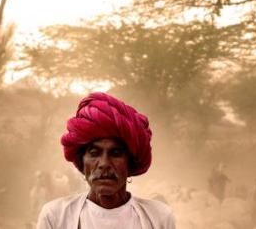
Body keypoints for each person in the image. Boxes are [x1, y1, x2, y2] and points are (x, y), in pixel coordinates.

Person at [36, 92, 176, 229]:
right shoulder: (55, 216)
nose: (104, 164)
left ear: (130, 163)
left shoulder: (159, 217)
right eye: (94, 153)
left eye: (115, 153)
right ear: (82, 161)